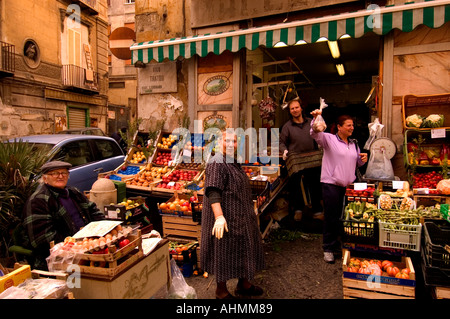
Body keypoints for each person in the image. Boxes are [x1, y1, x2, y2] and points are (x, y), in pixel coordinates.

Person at [200, 132, 265, 299]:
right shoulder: (216, 162)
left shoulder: (231, 160)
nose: (230, 143)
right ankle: (221, 291)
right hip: (226, 217)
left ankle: (244, 285)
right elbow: (213, 191)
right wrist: (219, 217)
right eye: (226, 140)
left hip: (240, 216)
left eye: (234, 141)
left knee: (243, 248)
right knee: (223, 252)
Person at [22, 161, 104, 270]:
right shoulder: (38, 201)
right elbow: (41, 240)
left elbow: (92, 210)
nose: (60, 176)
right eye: (55, 173)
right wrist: (77, 241)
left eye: (64, 173)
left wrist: (103, 227)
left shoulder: (72, 192)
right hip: (60, 258)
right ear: (45, 178)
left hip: (88, 245)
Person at [310, 111, 368, 263]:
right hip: (331, 184)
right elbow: (315, 133)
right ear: (339, 127)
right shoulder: (329, 139)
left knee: (346, 217)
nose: (352, 128)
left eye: (352, 125)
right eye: (349, 125)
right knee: (331, 217)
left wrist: (363, 159)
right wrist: (317, 118)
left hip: (348, 185)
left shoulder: (353, 143)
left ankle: (341, 245)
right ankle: (328, 248)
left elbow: (355, 163)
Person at [280, 99, 323, 222]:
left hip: (312, 159)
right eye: (292, 108)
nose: (295, 110)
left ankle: (317, 211)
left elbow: (320, 135)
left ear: (301, 108)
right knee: (295, 187)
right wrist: (284, 150)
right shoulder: (287, 127)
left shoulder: (311, 122)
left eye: (296, 107)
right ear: (289, 111)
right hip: (296, 160)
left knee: (314, 185)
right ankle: (297, 210)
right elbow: (282, 142)